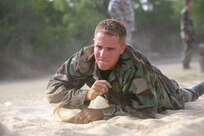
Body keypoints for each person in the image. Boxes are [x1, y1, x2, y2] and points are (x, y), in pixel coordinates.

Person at [46, 19, 204, 124]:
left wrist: (102, 113)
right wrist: (87, 95)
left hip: (166, 92)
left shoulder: (135, 67)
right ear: (94, 43)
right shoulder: (85, 58)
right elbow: (52, 90)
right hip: (126, 93)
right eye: (99, 47)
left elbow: (146, 110)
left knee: (188, 94)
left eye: (110, 49)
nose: (102, 54)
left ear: (122, 48)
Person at [180, 0, 197, 69]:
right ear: (188, 3)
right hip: (187, 35)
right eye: (191, 3)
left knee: (190, 49)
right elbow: (183, 24)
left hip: (190, 34)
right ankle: (185, 65)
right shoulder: (184, 12)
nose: (192, 4)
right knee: (187, 49)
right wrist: (185, 35)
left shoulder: (188, 12)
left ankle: (187, 65)